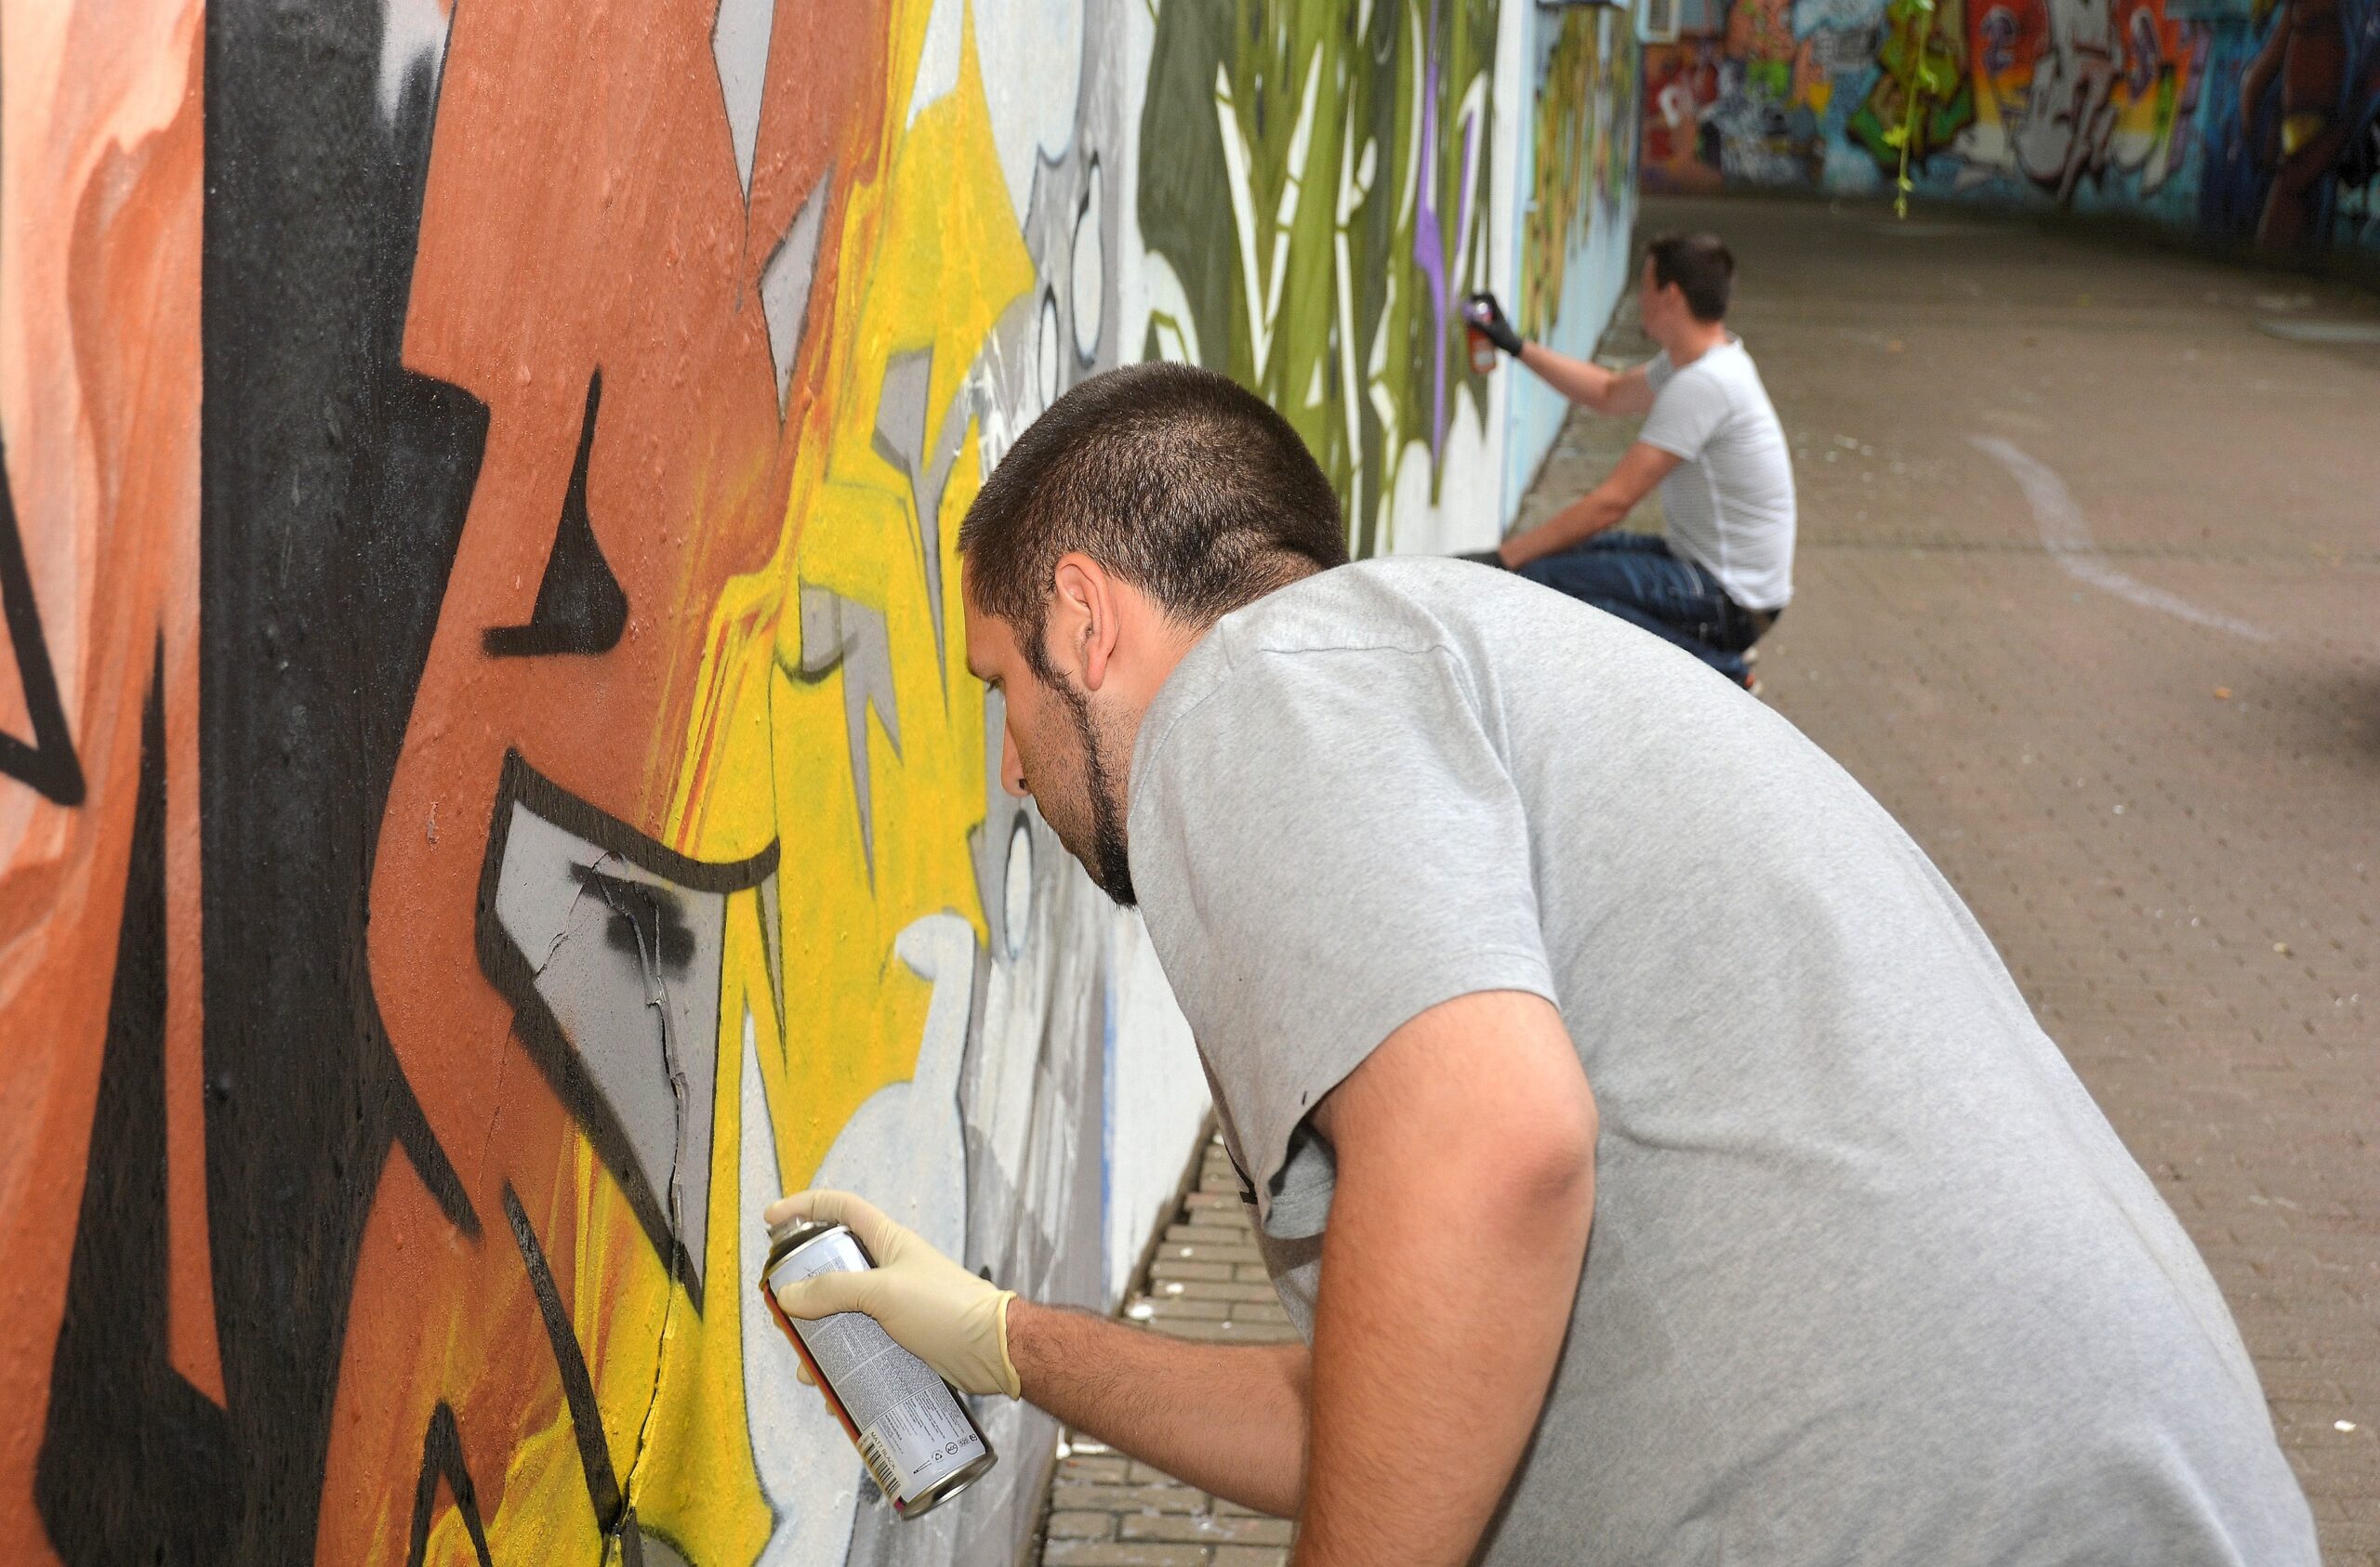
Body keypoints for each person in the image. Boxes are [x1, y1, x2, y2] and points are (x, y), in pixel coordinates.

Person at [764, 363, 2317, 1567]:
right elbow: (1385, 1424)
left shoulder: (1262, 682)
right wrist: (1002, 1340)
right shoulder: (1448, 680)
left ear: (1084, 619)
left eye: (999, 692)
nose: (1014, 772)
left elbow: (1494, 1143)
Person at [1462, 232, 1792, 691]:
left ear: (1670, 296)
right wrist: (1515, 345)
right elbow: (1608, 392)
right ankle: (1714, 660)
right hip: (1712, 574)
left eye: (1646, 286)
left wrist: (1502, 557)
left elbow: (1611, 504)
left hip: (1730, 602)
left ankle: (1723, 675)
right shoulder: (1701, 361)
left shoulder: (1705, 383)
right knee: (1554, 559)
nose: (1640, 298)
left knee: (1546, 580)